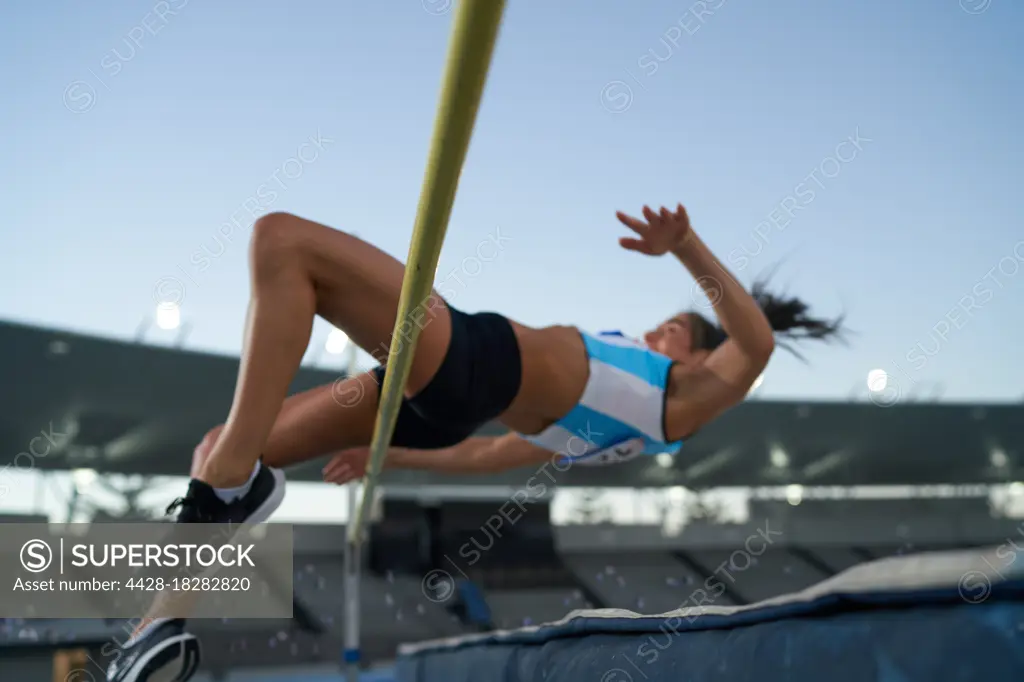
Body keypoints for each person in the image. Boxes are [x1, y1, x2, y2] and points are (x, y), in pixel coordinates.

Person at [107, 203, 843, 682]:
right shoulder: (611, 427)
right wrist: (388, 456)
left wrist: (687, 246)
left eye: (672, 332)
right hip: (449, 400)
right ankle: (159, 631)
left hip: (473, 360)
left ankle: (233, 492)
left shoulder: (680, 399)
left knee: (282, 240)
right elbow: (492, 455)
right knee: (219, 445)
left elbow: (756, 341)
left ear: (697, 355)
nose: (654, 333)